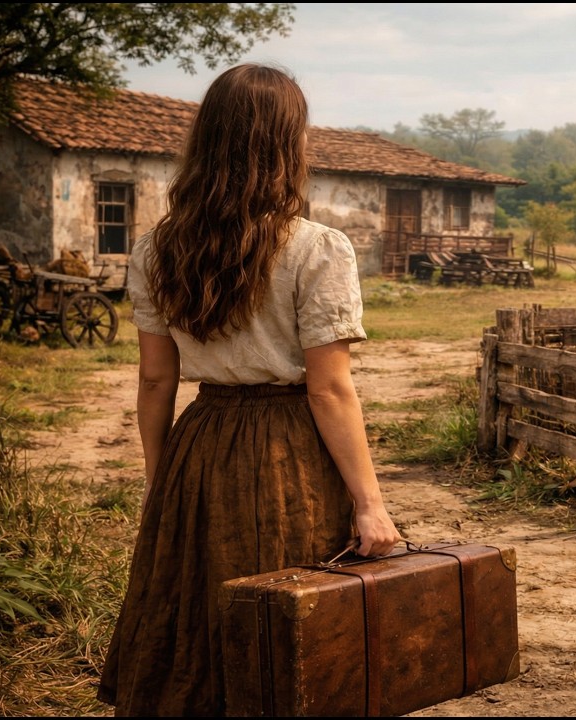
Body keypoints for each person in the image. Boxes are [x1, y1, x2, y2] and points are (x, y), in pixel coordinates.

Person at [96, 63, 403, 716]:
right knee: (293, 614)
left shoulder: (154, 249)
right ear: (287, 145)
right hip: (287, 450)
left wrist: (160, 478)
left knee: (199, 612)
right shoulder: (319, 248)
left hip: (199, 447)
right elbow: (329, 392)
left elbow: (156, 378)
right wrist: (371, 505)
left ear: (206, 140)